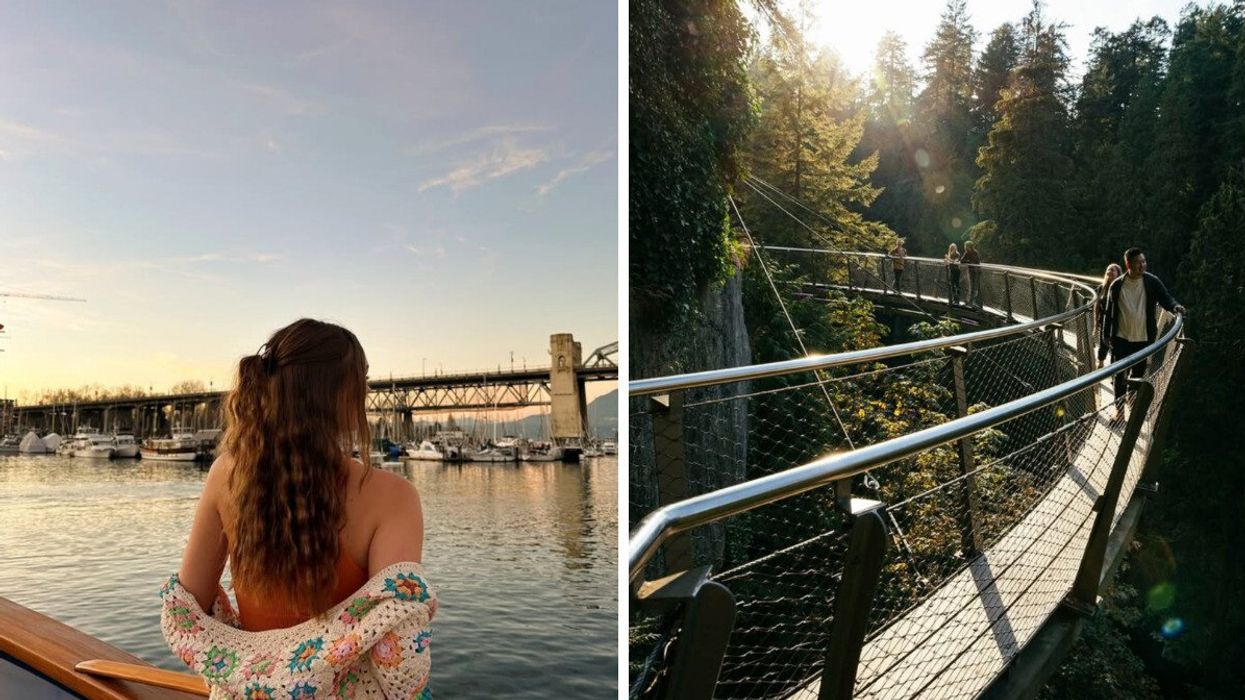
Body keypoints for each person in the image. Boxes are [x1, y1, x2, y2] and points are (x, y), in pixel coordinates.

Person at [160, 319, 434, 697]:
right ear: (337, 394)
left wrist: (255, 666)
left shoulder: (226, 475)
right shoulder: (393, 497)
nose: (367, 392)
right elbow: (399, 654)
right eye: (362, 379)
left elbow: (186, 610)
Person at [1100, 248, 1186, 403]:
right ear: (1128, 264)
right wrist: (1105, 335)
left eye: (1144, 261)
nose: (1142, 265)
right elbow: (1109, 312)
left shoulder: (1152, 282)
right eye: (1138, 262)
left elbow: (1166, 298)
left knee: (1137, 376)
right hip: (1121, 338)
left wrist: (1175, 307)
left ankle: (1132, 405)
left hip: (1143, 338)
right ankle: (1119, 411)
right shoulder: (1117, 285)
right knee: (1119, 375)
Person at [1095, 263, 1123, 367]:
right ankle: (1101, 362)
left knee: (1115, 346)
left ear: (1118, 274)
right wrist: (1096, 320)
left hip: (1117, 321)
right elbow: (1097, 305)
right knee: (1103, 343)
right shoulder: (1101, 288)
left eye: (1113, 270)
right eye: (1109, 269)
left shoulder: (1121, 288)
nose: (1110, 272)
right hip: (1104, 319)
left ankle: (1113, 369)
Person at [961, 239, 981, 308]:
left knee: (976, 286)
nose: (966, 248)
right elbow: (962, 261)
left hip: (976, 272)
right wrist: (968, 261)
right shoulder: (967, 253)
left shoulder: (975, 252)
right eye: (966, 247)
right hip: (970, 271)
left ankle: (974, 302)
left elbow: (977, 262)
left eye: (967, 247)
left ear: (970, 246)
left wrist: (972, 263)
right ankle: (969, 301)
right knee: (971, 286)